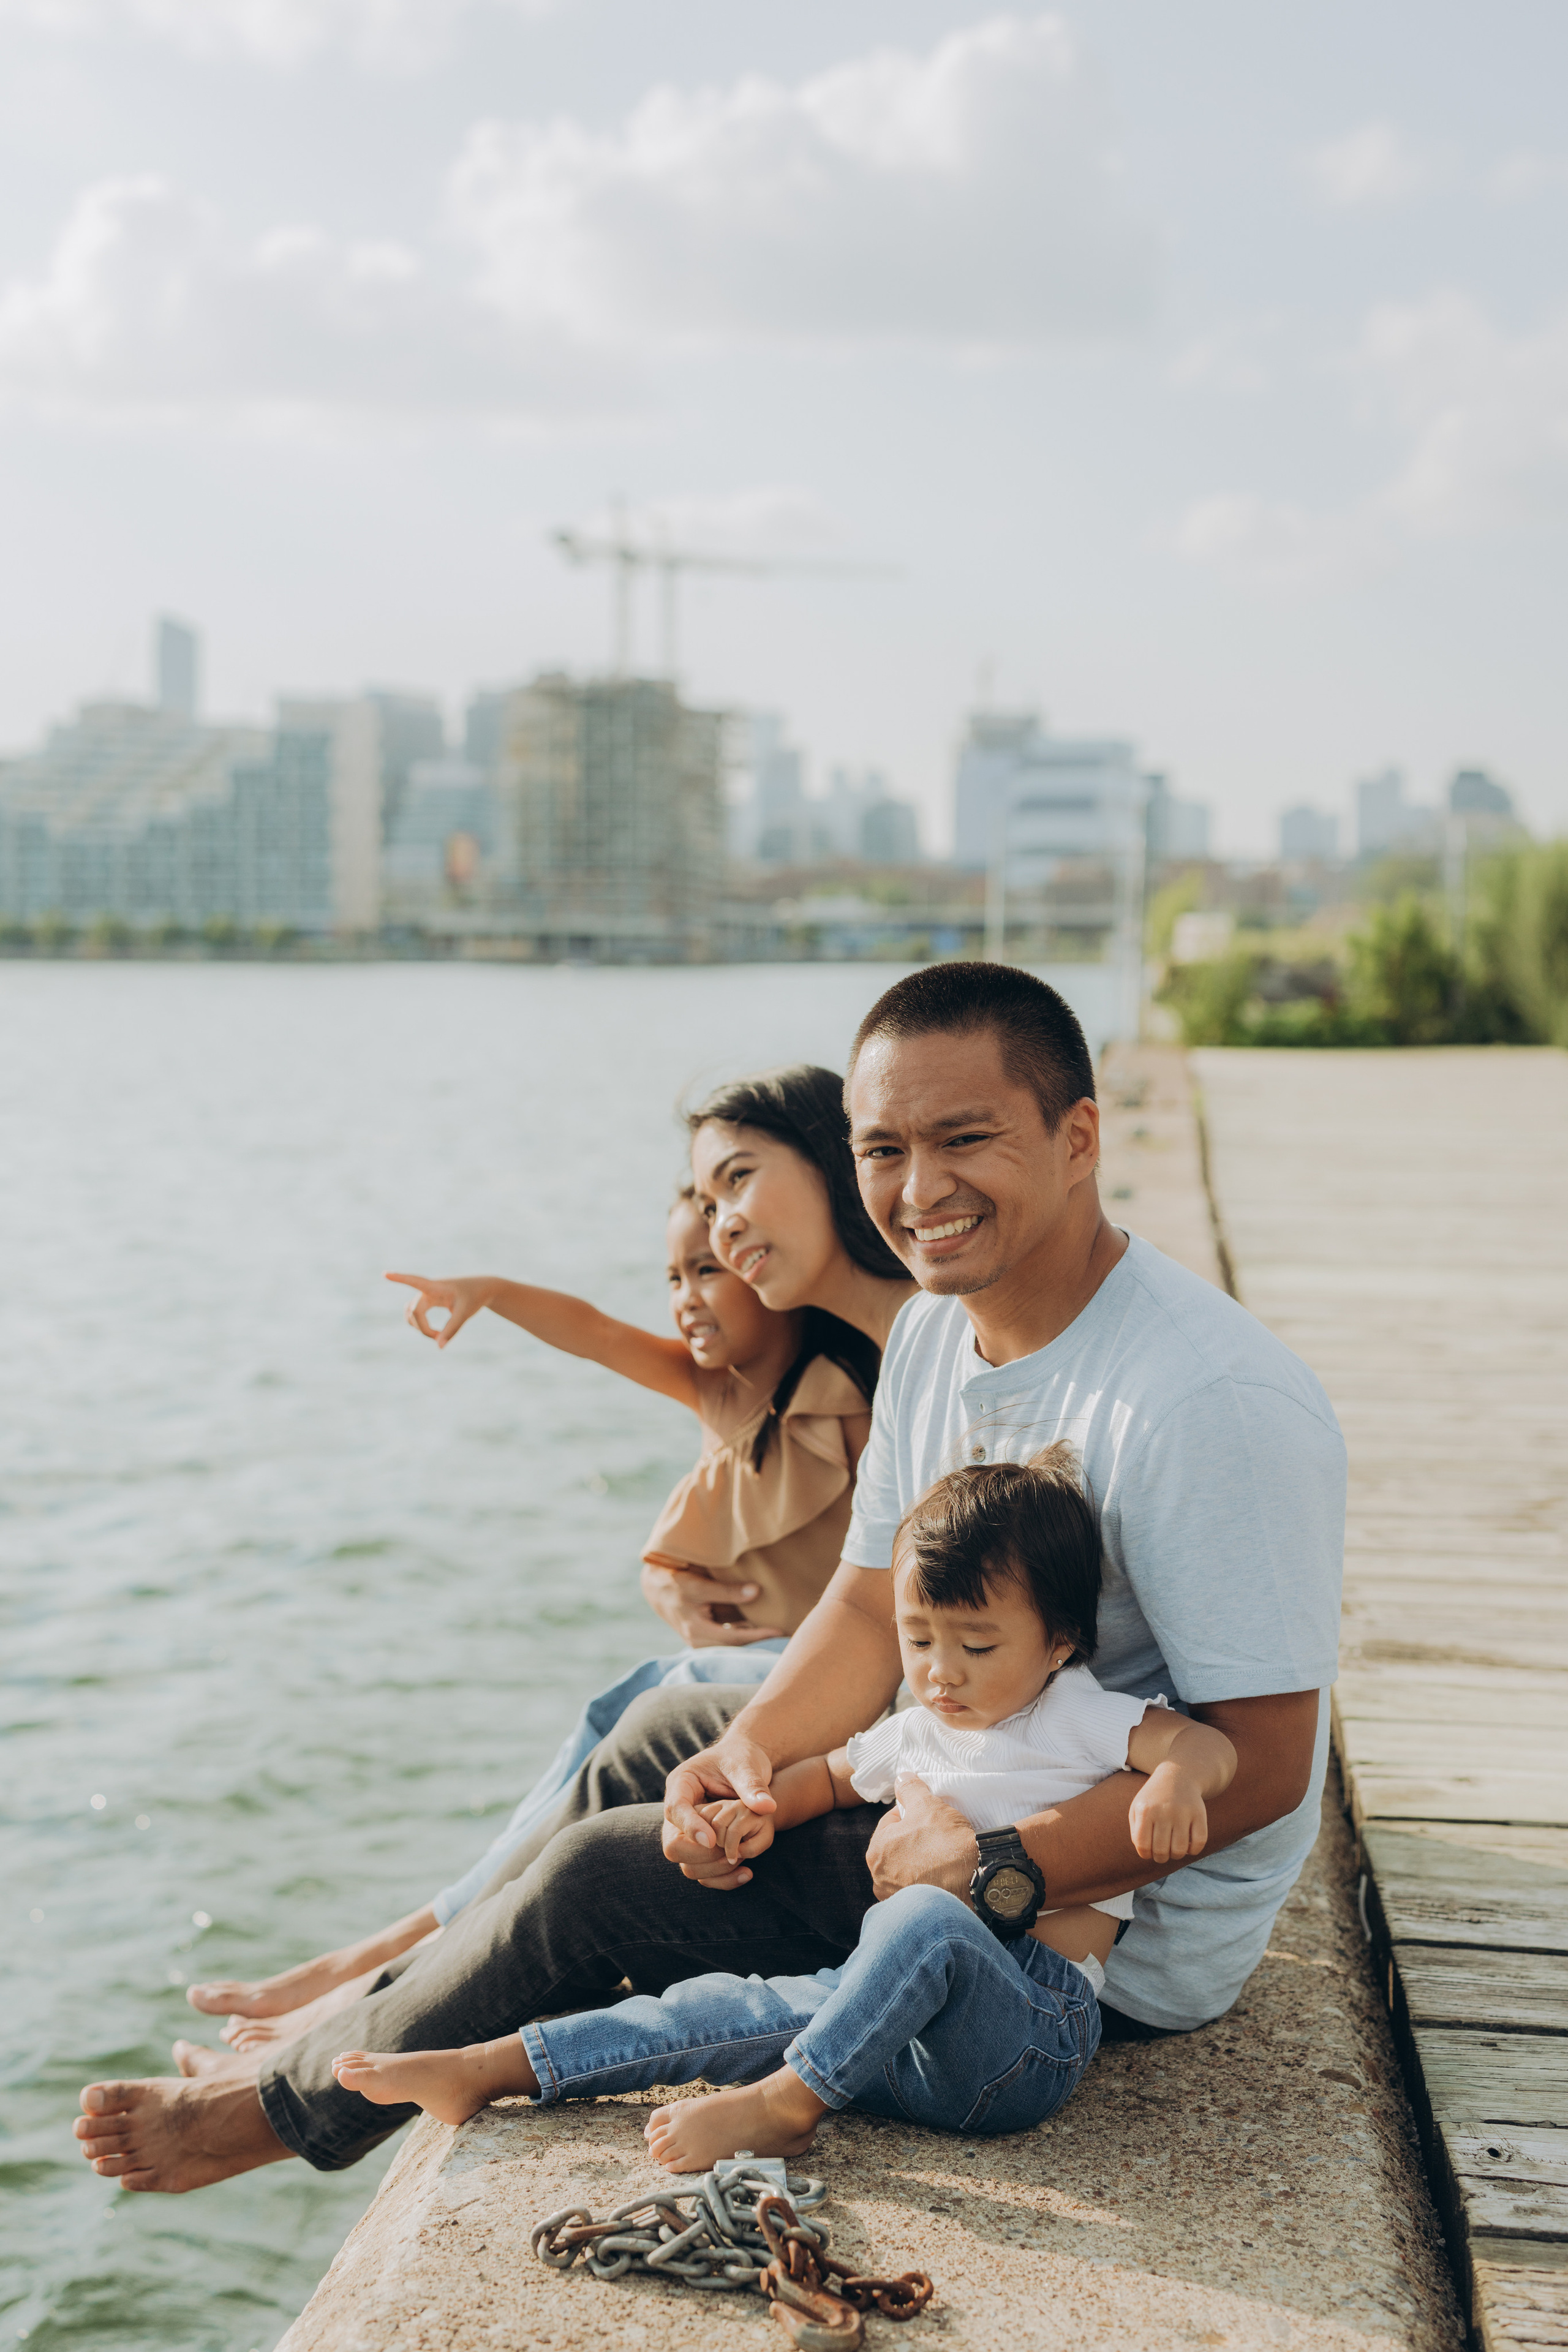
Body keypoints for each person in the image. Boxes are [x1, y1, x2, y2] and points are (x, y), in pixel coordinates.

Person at [75, 964, 1344, 2192]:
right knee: (660, 1737)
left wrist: (990, 1869)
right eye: (882, 1150)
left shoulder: (1204, 1401)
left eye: (965, 1140)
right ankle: (365, 2014)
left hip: (1088, 1933)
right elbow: (866, 1605)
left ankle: (272, 2115)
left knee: (600, 1883)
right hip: (973, 1763)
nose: (918, 1190)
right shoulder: (931, 1336)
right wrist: (744, 1759)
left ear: (1078, 1139)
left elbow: (1267, 1764)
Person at [329, 1444, 1236, 2169]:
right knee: (731, 2010)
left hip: (1026, 2039)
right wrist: (765, 1811)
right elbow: (833, 1777)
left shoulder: (1076, 1714)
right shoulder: (923, 1727)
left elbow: (1205, 1745)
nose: (942, 1673)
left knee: (924, 1915)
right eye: (919, 1640)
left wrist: (1174, 1782)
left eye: (978, 1645)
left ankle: (785, 2107)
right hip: (898, 2035)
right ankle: (498, 2067)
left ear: (1061, 1643)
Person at [179, 1178, 878, 2064]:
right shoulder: (714, 1390)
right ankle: (384, 1963)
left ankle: (374, 1972)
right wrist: (490, 1293)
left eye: (708, 1269)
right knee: (616, 1712)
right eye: (672, 1277)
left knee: (652, 1691)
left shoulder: (849, 1395)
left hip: (803, 1685)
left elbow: (875, 1588)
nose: (686, 1297)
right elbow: (593, 1332)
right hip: (747, 1676)